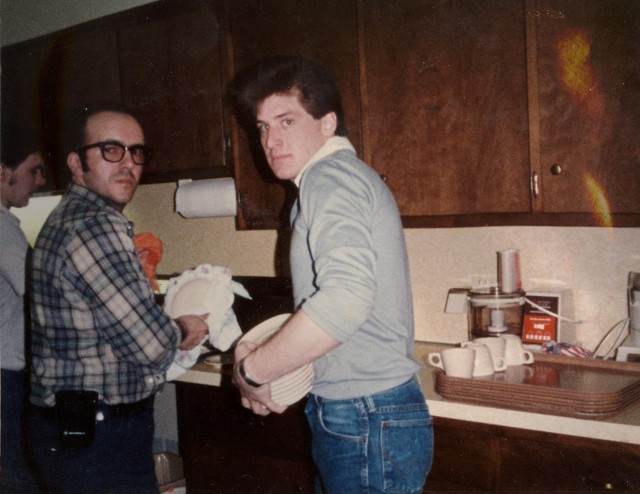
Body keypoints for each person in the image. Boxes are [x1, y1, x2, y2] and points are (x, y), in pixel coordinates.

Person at [230, 56, 434, 494]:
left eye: (286, 121)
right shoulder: (339, 178)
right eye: (263, 127)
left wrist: (252, 370)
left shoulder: (329, 178)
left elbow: (344, 298)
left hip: (364, 415)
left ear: (327, 125)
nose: (270, 139)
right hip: (370, 414)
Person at [26, 103, 209, 494]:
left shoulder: (69, 218)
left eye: (136, 152)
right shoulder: (95, 225)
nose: (128, 162)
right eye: (111, 149)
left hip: (75, 430)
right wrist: (183, 327)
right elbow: (152, 346)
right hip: (100, 438)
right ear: (77, 163)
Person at [1, 122, 46, 493]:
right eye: (33, 170)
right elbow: (42, 292)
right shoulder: (2, 229)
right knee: (17, 474)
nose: (41, 180)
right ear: (3, 172)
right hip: (5, 377)